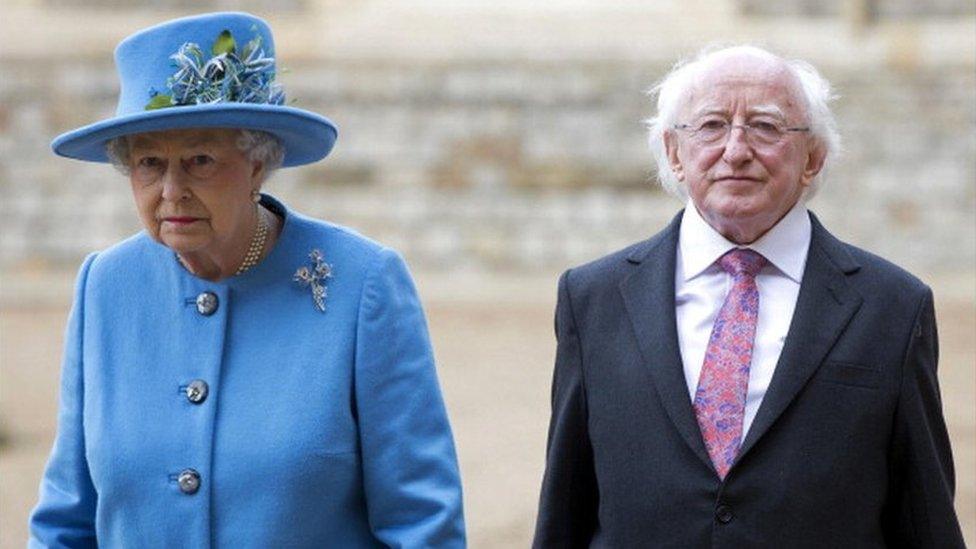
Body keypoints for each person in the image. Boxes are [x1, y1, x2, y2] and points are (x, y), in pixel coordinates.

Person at [29, 12, 465, 547]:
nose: (170, 191)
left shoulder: (362, 285)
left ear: (258, 163)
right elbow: (66, 522)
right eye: (148, 163)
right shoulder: (104, 287)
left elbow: (423, 525)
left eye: (200, 160)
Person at [533, 45, 965, 548]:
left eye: (765, 127)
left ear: (813, 157)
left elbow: (924, 519)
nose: (736, 151)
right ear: (675, 153)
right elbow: (565, 510)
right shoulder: (593, 300)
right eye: (712, 125)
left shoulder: (892, 307)